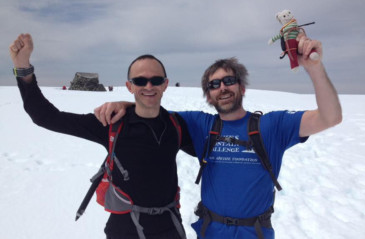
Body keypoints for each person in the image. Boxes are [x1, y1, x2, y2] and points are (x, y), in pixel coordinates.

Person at [94, 33, 342, 239]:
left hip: (255, 233)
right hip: (209, 231)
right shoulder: (200, 124)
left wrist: (315, 68)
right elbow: (150, 111)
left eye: (229, 80)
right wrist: (125, 103)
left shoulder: (273, 125)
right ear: (209, 96)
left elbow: (329, 117)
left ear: (241, 87)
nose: (222, 87)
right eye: (214, 85)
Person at [9, 33, 195, 239]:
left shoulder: (177, 126)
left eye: (156, 80)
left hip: (169, 228)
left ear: (165, 84)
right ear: (129, 86)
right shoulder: (111, 124)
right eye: (140, 80)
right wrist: (23, 68)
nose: (148, 86)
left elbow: (216, 142)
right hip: (124, 230)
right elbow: (45, 116)